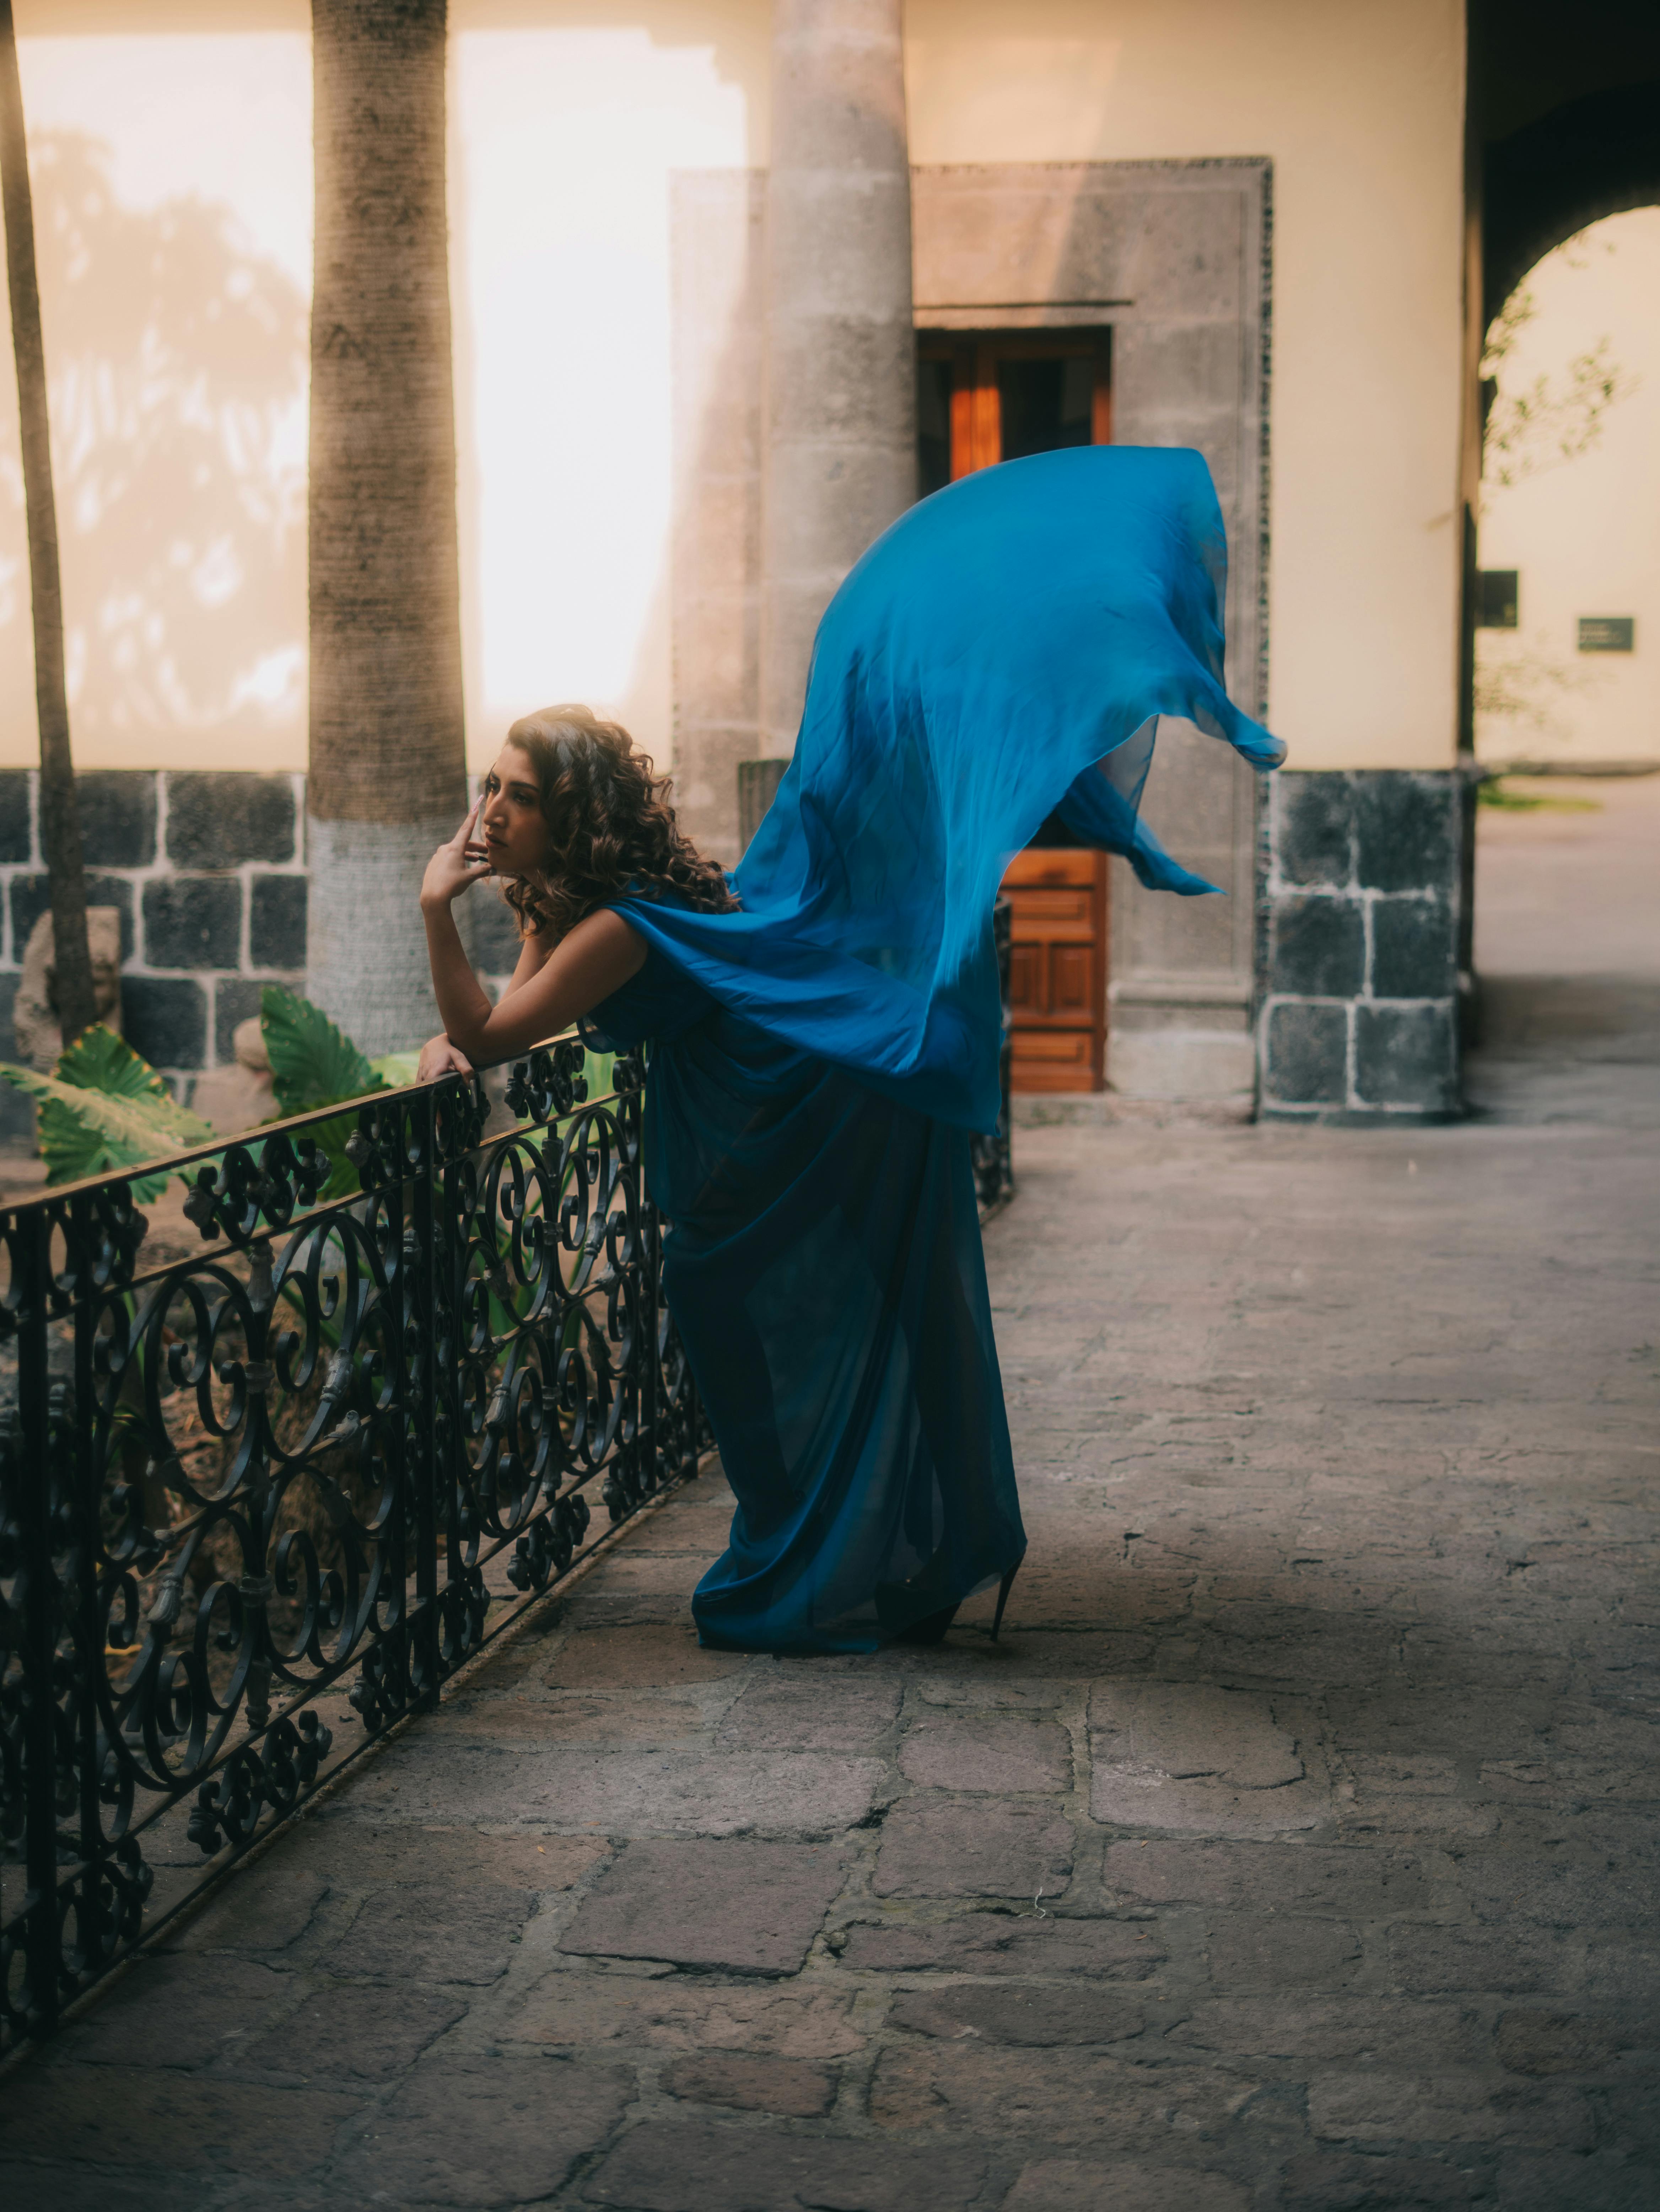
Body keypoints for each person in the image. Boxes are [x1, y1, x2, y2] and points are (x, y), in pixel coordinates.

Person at [418, 444, 1283, 1654]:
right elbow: (497, 1024)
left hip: (785, 1116)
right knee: (782, 1340)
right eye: (490, 788)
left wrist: (429, 910)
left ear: (568, 816)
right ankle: (855, 1550)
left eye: (514, 794)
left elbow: (496, 1027)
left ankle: (832, 1565)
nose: (490, 811)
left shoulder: (611, 926)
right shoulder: (566, 905)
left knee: (802, 1331)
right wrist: (453, 1040)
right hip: (735, 1133)